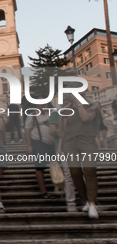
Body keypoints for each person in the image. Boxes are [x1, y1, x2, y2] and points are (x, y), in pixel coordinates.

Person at [59, 91, 100, 219]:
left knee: (89, 171)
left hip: (87, 141)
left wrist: (78, 104)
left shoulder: (92, 105)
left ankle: (92, 203)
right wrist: (60, 147)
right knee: (75, 173)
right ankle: (86, 201)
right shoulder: (66, 110)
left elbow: (85, 118)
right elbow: (64, 129)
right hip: (70, 143)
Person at [49, 95, 77, 212]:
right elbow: (52, 130)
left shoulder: (74, 112)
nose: (70, 102)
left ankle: (82, 198)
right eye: (68, 100)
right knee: (68, 175)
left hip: (76, 147)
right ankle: (71, 202)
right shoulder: (56, 113)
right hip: (63, 148)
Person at [25, 96, 55, 199]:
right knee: (40, 167)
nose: (39, 106)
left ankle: (61, 186)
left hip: (52, 144)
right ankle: (43, 191)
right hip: (38, 143)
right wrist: (29, 146)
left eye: (42, 104)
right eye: (38, 104)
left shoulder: (51, 114)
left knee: (59, 165)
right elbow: (27, 130)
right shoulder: (32, 116)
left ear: (46, 105)